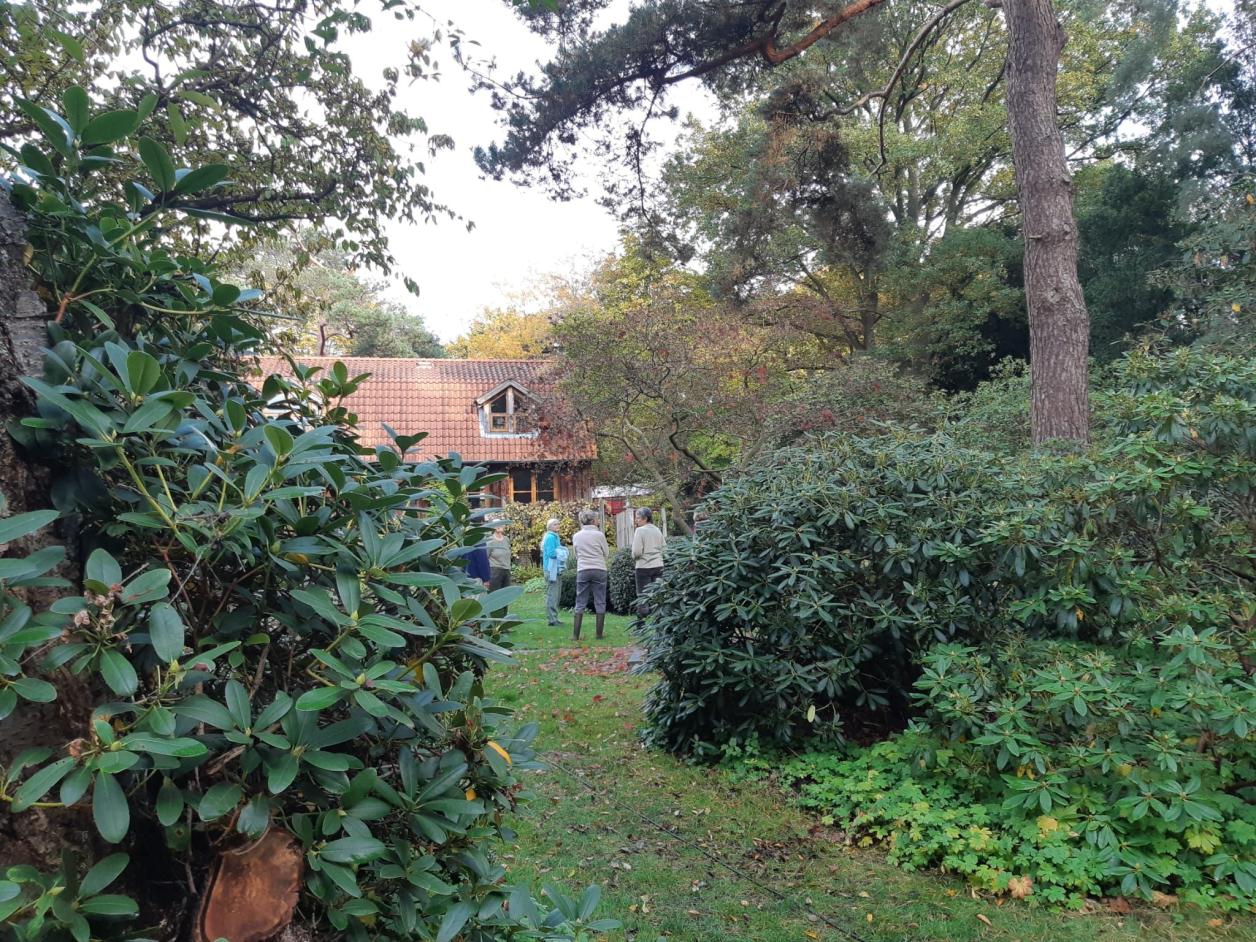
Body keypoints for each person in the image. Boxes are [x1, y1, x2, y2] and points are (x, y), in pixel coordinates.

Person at [570, 509, 610, 640]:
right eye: (597, 519)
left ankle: (575, 635)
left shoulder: (576, 536)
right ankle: (599, 634)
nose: (598, 521)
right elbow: (606, 553)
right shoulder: (599, 535)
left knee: (580, 601)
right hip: (599, 569)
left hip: (583, 569)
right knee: (600, 600)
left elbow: (576, 554)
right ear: (593, 521)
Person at [630, 507, 665, 606]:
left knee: (643, 597)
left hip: (643, 567)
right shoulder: (657, 530)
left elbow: (637, 552)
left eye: (638, 518)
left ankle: (642, 619)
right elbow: (664, 548)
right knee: (658, 595)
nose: (636, 520)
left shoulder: (640, 531)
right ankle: (658, 619)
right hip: (658, 566)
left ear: (645, 518)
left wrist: (633, 556)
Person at [540, 517, 566, 627]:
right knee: (552, 594)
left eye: (558, 523)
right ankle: (552, 619)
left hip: (555, 568)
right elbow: (551, 553)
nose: (558, 525)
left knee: (556, 594)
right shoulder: (550, 537)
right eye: (555, 524)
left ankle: (555, 618)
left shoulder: (555, 536)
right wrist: (562, 552)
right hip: (551, 569)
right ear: (550, 527)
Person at [486, 523, 512, 591]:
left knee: (506, 594)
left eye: (500, 524)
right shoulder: (490, 540)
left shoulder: (506, 539)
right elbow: (485, 558)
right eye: (496, 525)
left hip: (506, 570)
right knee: (495, 595)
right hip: (494, 571)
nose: (498, 526)